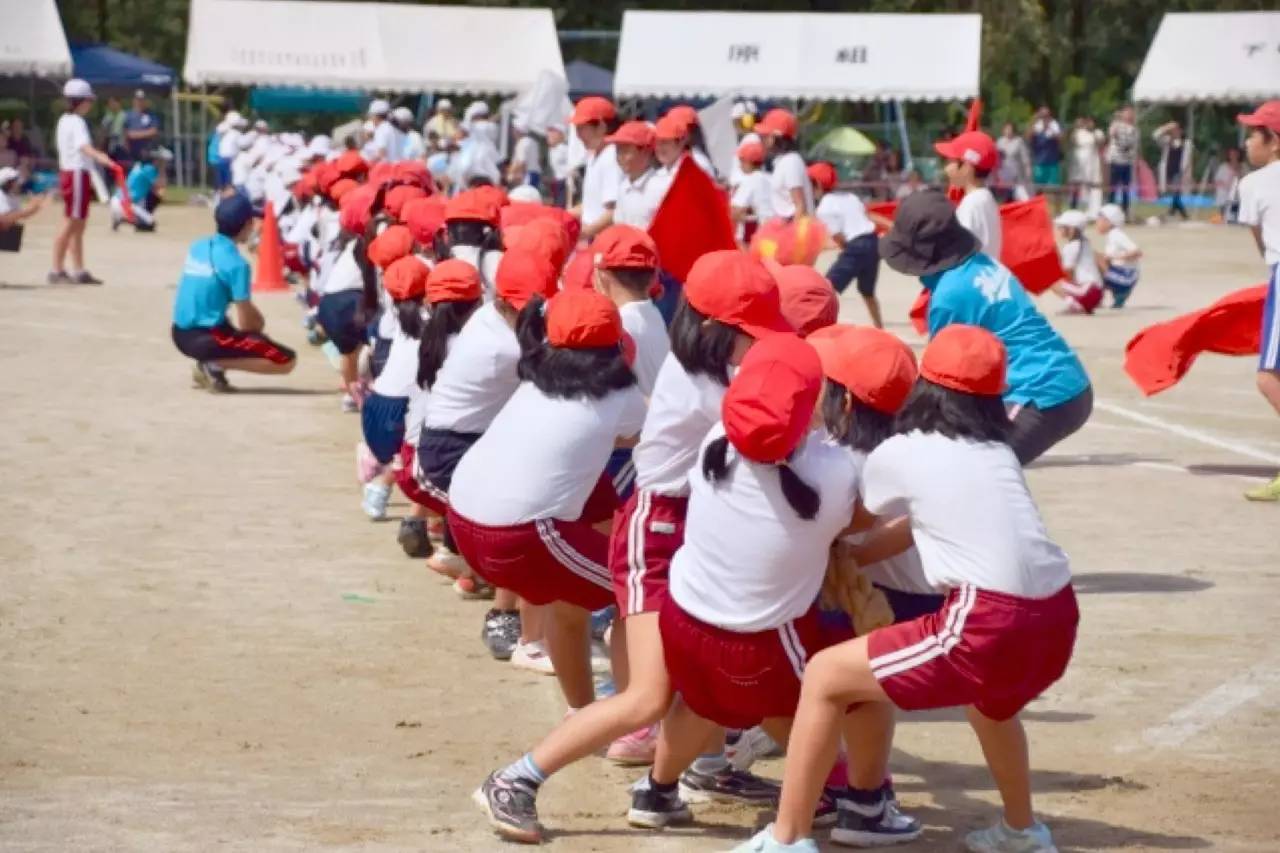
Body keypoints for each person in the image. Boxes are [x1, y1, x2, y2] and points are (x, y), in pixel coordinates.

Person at [471, 252, 793, 845]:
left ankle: (691, 775)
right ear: (720, 330)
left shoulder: (710, 368)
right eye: (754, 335)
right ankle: (514, 779)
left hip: (684, 526)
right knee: (648, 696)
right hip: (656, 531)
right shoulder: (705, 382)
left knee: (711, 664)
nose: (761, 347)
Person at [741, 325, 1077, 853]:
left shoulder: (904, 450)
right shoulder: (996, 450)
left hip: (986, 617)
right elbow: (917, 522)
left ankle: (787, 838)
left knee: (827, 675)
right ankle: (1021, 830)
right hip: (1057, 613)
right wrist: (858, 557)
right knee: (990, 707)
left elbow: (849, 521)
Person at [448, 289, 646, 712]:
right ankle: (634, 717)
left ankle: (584, 715)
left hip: (463, 516)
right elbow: (640, 434)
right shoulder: (619, 395)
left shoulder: (533, 381)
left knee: (573, 592)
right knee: (643, 589)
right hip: (517, 535)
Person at [881, 190, 1093, 464]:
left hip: (1041, 395)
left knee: (979, 468)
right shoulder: (981, 264)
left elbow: (941, 381)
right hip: (1063, 378)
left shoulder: (950, 295)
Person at [170, 194, 297, 390]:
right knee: (286, 360)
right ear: (247, 224)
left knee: (241, 332)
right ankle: (214, 364)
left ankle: (213, 363)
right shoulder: (238, 265)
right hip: (204, 337)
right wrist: (259, 327)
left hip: (179, 331)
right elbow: (248, 324)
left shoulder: (199, 246)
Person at [1237, 101, 1280, 501]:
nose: (1248, 141)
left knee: (1269, 378)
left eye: (1254, 133)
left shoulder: (1254, 184)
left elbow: (1261, 242)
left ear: (1274, 142)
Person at [808, 161, 889, 329]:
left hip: (855, 246)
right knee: (867, 291)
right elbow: (867, 216)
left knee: (828, 288)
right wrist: (891, 225)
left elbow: (838, 236)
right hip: (873, 243)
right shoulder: (850, 197)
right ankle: (880, 327)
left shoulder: (824, 207)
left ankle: (818, 327)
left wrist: (848, 249)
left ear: (816, 185)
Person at [51, 79, 116, 286]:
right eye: (88, 100)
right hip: (76, 173)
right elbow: (83, 146)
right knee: (72, 222)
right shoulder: (77, 122)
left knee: (78, 223)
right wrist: (101, 157)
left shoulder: (64, 120)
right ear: (81, 101)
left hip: (72, 172)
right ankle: (57, 269)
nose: (90, 104)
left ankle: (78, 269)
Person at [936, 130, 1002, 260]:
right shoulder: (986, 198)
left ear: (966, 167)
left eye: (950, 162)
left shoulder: (972, 204)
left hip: (972, 278)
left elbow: (958, 255)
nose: (946, 168)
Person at [569, 97, 621, 241]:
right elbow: (591, 205)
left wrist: (584, 234)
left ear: (601, 127)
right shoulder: (594, 157)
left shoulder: (612, 157)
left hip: (604, 241)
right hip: (593, 238)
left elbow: (613, 211)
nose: (578, 136)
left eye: (581, 128)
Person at [609, 122, 664, 231]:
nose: (620, 157)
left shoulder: (661, 187)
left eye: (625, 151)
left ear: (646, 151)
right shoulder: (623, 187)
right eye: (618, 151)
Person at [758, 109, 811, 220]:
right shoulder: (782, 161)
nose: (762, 139)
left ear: (778, 137)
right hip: (784, 226)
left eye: (766, 135)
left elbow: (800, 205)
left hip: (793, 228)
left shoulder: (791, 162)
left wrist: (793, 235)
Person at [1050, 210, 1104, 314]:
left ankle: (1075, 305)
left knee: (1052, 282)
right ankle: (1083, 304)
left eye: (1062, 227)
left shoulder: (1071, 246)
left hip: (1087, 291)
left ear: (1071, 229)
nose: (1058, 229)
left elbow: (1068, 270)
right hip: (1097, 291)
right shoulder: (1085, 242)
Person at [110, 146, 171, 232]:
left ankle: (125, 217)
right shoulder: (149, 169)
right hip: (124, 205)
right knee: (150, 224)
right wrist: (162, 168)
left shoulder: (139, 166)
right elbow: (161, 186)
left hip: (117, 201)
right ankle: (126, 219)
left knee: (152, 196)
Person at [1095, 203, 1142, 308]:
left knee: (1095, 258)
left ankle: (1104, 297)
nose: (1096, 223)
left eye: (1099, 220)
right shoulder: (1112, 235)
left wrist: (1113, 257)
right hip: (1123, 274)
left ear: (1109, 222)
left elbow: (1137, 252)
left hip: (1126, 276)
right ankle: (1115, 295)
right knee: (1097, 257)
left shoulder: (1117, 235)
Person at [730, 139, 771, 244]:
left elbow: (734, 213)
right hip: (778, 231)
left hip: (762, 234)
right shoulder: (770, 177)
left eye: (741, 160)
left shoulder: (750, 180)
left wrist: (748, 216)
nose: (740, 165)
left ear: (748, 162)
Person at [1154, 121, 1192, 221]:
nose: (1175, 132)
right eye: (1173, 130)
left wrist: (1188, 173)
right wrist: (1166, 127)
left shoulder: (1186, 143)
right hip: (1167, 169)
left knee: (1176, 191)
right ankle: (1175, 211)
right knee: (1173, 192)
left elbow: (1188, 159)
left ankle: (1178, 212)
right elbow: (1155, 135)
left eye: (1177, 130)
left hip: (1179, 171)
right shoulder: (1166, 140)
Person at [1106, 105, 1139, 216]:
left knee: (1126, 188)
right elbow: (1111, 133)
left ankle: (1125, 211)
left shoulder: (1134, 129)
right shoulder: (1116, 125)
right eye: (1127, 113)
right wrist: (1117, 119)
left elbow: (1134, 144)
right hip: (1115, 160)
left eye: (1131, 113)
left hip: (1127, 161)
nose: (1129, 115)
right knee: (1113, 187)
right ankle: (1109, 210)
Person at [1068, 116, 1104, 212]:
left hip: (1092, 162)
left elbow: (1100, 144)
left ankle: (1091, 209)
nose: (1089, 124)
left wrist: (1092, 132)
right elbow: (1072, 141)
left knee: (1091, 186)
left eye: (1091, 122)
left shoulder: (1097, 133)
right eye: (1087, 122)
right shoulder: (1078, 132)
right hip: (1078, 162)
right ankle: (1073, 207)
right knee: (1076, 184)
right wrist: (1076, 128)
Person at [1028, 106, 1063, 190]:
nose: (1044, 117)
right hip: (1039, 162)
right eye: (1042, 115)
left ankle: (1052, 202)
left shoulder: (1054, 124)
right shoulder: (1036, 125)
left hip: (1052, 162)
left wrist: (1049, 128)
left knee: (1053, 188)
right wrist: (1033, 121)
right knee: (1038, 188)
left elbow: (1061, 138)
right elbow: (1028, 136)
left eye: (1046, 115)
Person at [0, 166, 45, 230]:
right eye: (14, 180)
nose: (18, 182)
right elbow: (4, 219)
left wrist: (34, 208)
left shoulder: (13, 196)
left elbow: (18, 215)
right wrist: (29, 210)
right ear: (7, 183)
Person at [995, 123, 1030, 201]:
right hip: (1003, 175)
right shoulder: (1000, 141)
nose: (1008, 131)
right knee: (1005, 197)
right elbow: (996, 158)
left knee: (1022, 196)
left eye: (1010, 129)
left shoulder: (1018, 141)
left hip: (1016, 175)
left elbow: (1025, 157)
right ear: (1003, 130)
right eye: (1006, 129)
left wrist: (1028, 169)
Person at [123, 90, 160, 163]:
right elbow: (125, 133)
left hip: (148, 153)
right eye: (138, 99)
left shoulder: (151, 115)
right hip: (131, 153)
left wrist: (134, 134)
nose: (140, 102)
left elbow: (154, 131)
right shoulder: (127, 115)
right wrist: (146, 133)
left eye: (142, 100)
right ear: (134, 100)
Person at [366, 99, 402, 164]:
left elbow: (381, 153)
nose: (371, 118)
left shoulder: (382, 129)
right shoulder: (390, 127)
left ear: (376, 116)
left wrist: (368, 163)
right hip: (395, 167)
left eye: (371, 115)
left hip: (386, 169)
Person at [1214, 147, 1243, 223]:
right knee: (1224, 214)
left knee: (1234, 215)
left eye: (1235, 154)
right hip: (1224, 195)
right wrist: (1226, 186)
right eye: (1231, 154)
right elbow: (1217, 181)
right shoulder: (1223, 167)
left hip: (1237, 196)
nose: (1233, 156)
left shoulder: (1243, 167)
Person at [511, 121, 541, 188]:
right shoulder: (533, 142)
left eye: (514, 129)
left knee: (525, 195)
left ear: (518, 131)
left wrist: (511, 173)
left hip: (528, 174)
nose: (513, 132)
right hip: (535, 173)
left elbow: (522, 162)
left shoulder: (522, 143)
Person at [546, 124, 571, 207]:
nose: (550, 134)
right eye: (549, 132)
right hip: (557, 183)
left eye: (554, 132)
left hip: (565, 183)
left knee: (560, 207)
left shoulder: (564, 148)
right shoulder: (552, 150)